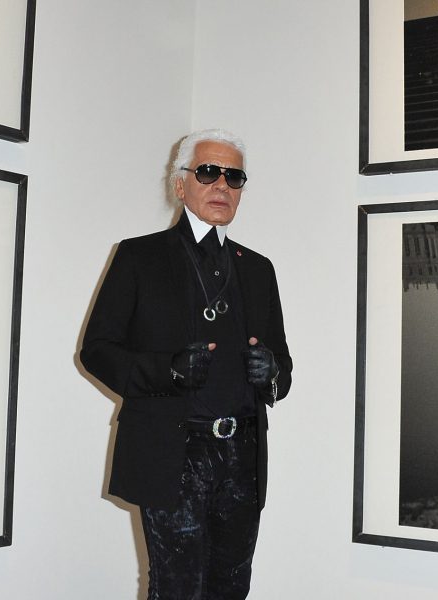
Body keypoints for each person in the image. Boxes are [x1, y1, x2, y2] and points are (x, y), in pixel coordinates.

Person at [80, 129, 292, 599]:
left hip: (242, 456)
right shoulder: (139, 256)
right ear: (180, 184)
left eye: (234, 177)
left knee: (232, 589)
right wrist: (167, 372)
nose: (222, 185)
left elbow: (284, 364)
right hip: (173, 454)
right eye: (209, 172)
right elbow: (97, 350)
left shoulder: (259, 269)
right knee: (176, 590)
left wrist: (273, 373)